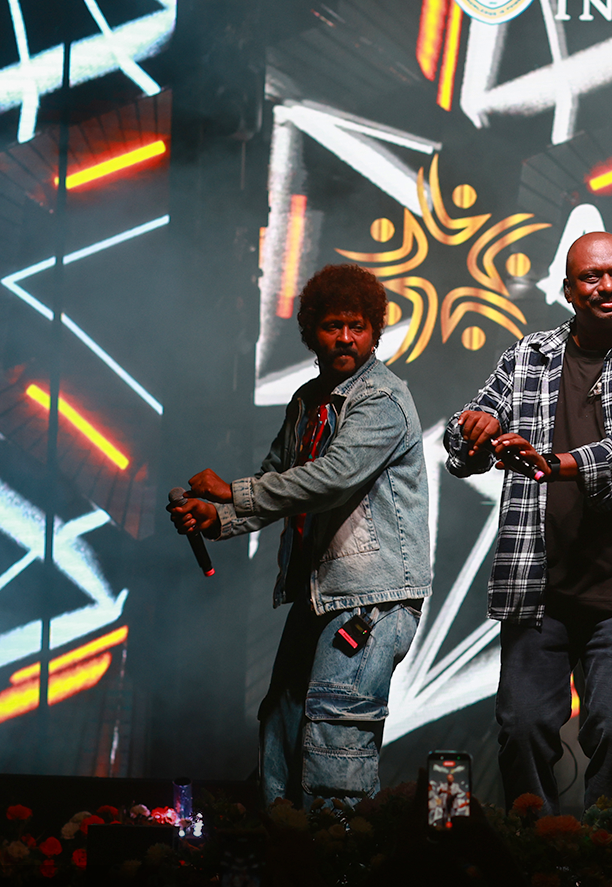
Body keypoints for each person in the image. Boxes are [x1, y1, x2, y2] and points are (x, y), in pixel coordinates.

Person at [169, 264, 431, 808]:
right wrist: (216, 516)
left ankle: (339, 851)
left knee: (336, 733)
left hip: (371, 598)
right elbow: (278, 481)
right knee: (281, 729)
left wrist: (231, 493)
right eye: (333, 326)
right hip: (321, 594)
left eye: (357, 326)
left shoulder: (381, 398)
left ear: (375, 332)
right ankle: (282, 846)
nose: (345, 338)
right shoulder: (308, 400)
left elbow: (329, 480)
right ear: (311, 332)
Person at [445, 231, 612, 812]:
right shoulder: (527, 355)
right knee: (522, 729)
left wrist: (553, 463)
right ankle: (536, 854)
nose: (608, 286)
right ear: (568, 291)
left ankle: (606, 855)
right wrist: (474, 428)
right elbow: (463, 444)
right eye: (591, 276)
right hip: (538, 588)